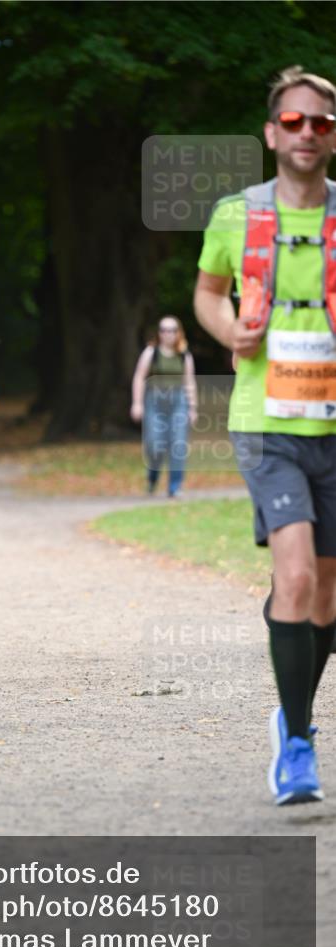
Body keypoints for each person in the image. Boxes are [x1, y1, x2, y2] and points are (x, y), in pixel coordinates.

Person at [194, 66, 336, 805]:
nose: (307, 132)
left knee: (326, 595)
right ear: (271, 132)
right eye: (293, 121)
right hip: (264, 421)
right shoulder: (237, 215)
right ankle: (299, 746)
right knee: (297, 575)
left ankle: (291, 708)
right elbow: (208, 293)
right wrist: (230, 332)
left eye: (320, 123)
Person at [130, 316, 198, 497]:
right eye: (164, 330)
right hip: (155, 401)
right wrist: (137, 403)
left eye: (173, 330)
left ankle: (175, 487)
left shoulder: (184, 355)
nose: (168, 334)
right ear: (159, 333)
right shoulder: (151, 353)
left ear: (178, 332)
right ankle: (152, 477)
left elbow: (189, 382)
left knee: (178, 444)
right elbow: (139, 377)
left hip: (178, 401)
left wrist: (192, 407)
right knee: (154, 444)